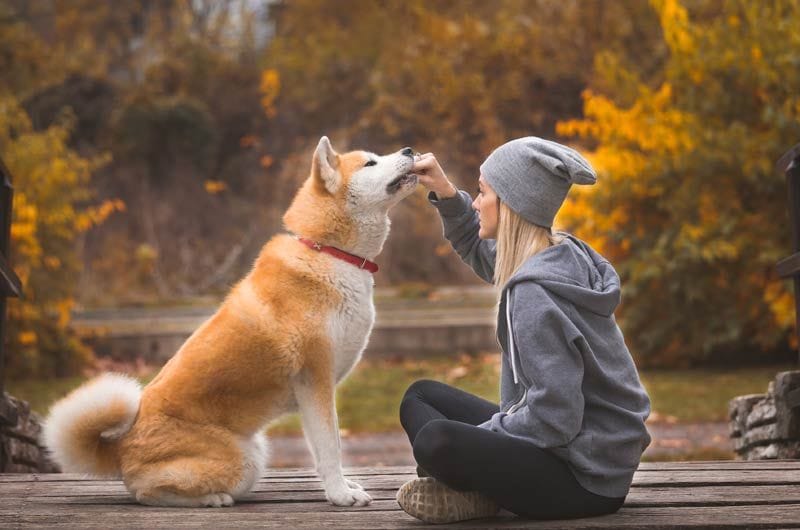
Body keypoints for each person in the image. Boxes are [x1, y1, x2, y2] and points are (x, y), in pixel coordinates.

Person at [395, 137, 652, 524]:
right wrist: (446, 193)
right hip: (580, 452)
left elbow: (555, 418)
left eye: (483, 193)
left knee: (437, 441)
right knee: (420, 395)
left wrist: (478, 442)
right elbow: (479, 250)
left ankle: (476, 490)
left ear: (511, 204)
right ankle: (478, 486)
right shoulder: (559, 252)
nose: (477, 202)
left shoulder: (534, 295)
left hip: (584, 479)